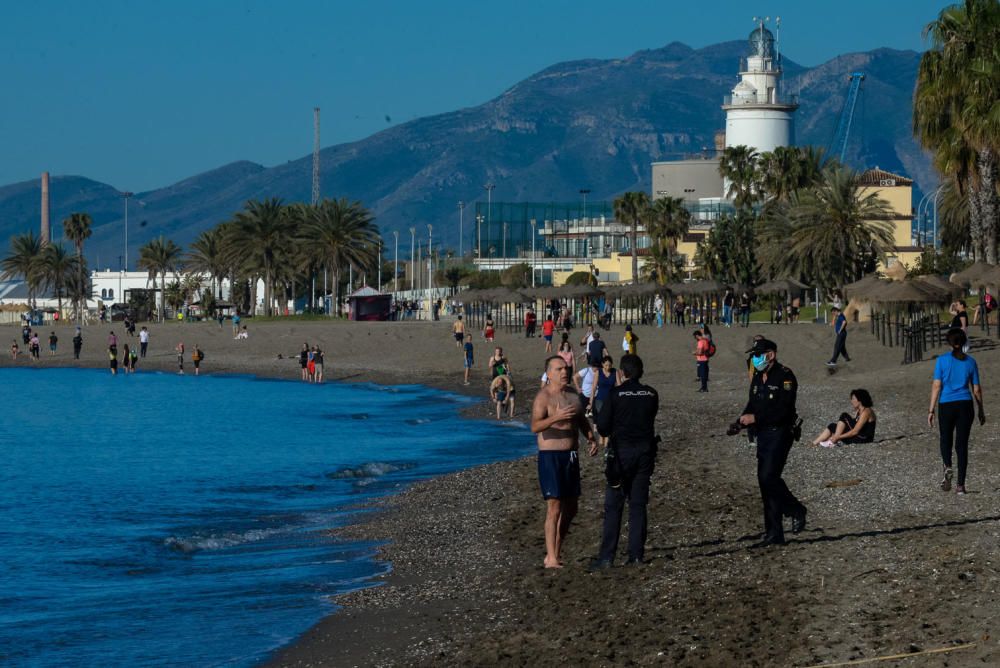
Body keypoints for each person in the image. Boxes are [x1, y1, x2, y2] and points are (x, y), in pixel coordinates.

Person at [590, 354, 659, 569]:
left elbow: (603, 427)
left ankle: (607, 557)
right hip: (645, 452)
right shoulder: (651, 394)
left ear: (622, 372)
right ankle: (636, 554)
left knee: (614, 505)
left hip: (622, 454)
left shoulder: (616, 395)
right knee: (638, 504)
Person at [739, 338, 807, 547]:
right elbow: (753, 403)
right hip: (763, 434)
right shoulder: (759, 377)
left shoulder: (785, 376)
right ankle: (774, 533)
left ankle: (796, 509)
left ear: (771, 354)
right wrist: (741, 421)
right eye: (753, 355)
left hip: (780, 432)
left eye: (758, 354)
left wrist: (756, 419)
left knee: (769, 476)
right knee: (764, 481)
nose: (755, 358)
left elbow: (783, 410)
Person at [531, 355, 597, 569]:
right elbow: (535, 426)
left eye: (566, 368)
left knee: (572, 507)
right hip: (551, 457)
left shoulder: (572, 395)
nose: (564, 372)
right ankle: (550, 557)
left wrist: (590, 437)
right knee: (554, 507)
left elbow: (580, 419)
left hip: (571, 456)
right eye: (559, 369)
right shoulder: (543, 397)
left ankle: (556, 550)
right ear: (548, 374)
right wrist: (555, 418)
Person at [928, 328, 985, 495]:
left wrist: (931, 410)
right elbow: (976, 389)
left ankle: (947, 465)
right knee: (962, 445)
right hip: (965, 405)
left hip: (946, 404)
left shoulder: (942, 360)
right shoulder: (971, 362)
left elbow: (937, 385)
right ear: (964, 342)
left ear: (949, 342)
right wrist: (981, 409)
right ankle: (960, 486)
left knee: (945, 439)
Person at [812, 389, 877, 447]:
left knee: (844, 416)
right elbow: (853, 425)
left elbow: (855, 431)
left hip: (863, 439)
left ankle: (833, 441)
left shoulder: (867, 412)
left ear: (860, 400)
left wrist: (838, 437)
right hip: (858, 437)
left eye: (854, 399)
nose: (852, 401)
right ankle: (814, 443)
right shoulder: (859, 411)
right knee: (832, 426)